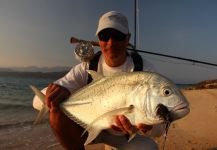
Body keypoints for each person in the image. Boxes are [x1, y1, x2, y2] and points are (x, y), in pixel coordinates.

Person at [33, 11, 164, 150]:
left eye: (118, 36)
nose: (111, 43)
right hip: (86, 129)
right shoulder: (86, 67)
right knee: (56, 111)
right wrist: (57, 94)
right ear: (98, 39)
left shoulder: (146, 72)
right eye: (105, 36)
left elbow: (160, 129)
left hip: (124, 136)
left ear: (127, 38)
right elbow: (36, 100)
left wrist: (146, 126)